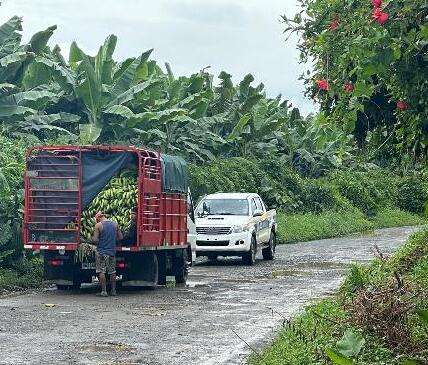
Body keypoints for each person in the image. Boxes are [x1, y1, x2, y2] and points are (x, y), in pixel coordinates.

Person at [92, 211, 123, 297]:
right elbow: (120, 237)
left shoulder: (98, 226)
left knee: (101, 271)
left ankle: (104, 291)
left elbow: (95, 240)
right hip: (111, 251)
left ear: (98, 218)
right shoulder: (115, 224)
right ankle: (113, 291)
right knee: (112, 271)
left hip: (101, 252)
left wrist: (92, 239)